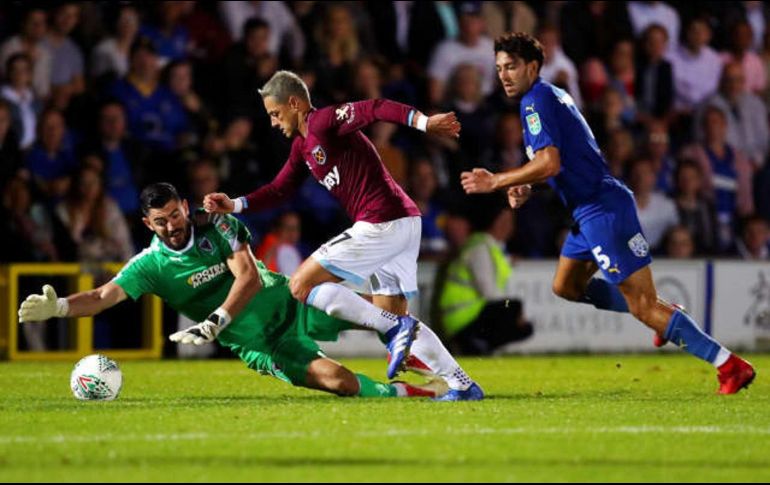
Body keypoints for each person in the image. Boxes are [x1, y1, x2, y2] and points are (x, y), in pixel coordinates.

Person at [461, 32, 755, 395]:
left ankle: (728, 364)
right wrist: (527, 185)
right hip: (587, 211)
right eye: (499, 68)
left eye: (511, 67)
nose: (504, 75)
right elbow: (559, 162)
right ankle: (666, 313)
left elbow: (549, 163)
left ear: (532, 67)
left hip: (601, 209)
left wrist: (498, 181)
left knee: (643, 306)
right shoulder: (548, 96)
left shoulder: (535, 101)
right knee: (566, 286)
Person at [17, 183, 443, 400]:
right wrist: (59, 308)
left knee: (386, 313)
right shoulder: (149, 266)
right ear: (148, 225)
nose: (172, 225)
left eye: (175, 214)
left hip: (290, 301)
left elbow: (250, 278)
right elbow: (103, 296)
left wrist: (217, 319)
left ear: (185, 205)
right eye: (160, 221)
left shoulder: (218, 224)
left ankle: (449, 372)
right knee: (342, 383)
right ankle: (405, 392)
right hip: (263, 346)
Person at [203, 70, 482, 400]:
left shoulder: (324, 121)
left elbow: (376, 107)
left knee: (302, 285)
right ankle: (462, 384)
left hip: (383, 221)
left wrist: (424, 123)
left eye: (275, 113)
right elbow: (279, 190)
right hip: (403, 222)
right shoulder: (301, 147)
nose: (273, 122)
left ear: (294, 103)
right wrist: (234, 204)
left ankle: (398, 330)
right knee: (392, 316)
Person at [437, 194, 533, 355]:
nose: (507, 226)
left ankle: (482, 345)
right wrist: (510, 309)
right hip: (461, 319)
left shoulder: (490, 247)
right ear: (493, 221)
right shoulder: (479, 247)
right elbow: (489, 292)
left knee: (515, 312)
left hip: (468, 315)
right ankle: (475, 343)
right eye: (503, 221)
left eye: (510, 221)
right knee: (512, 306)